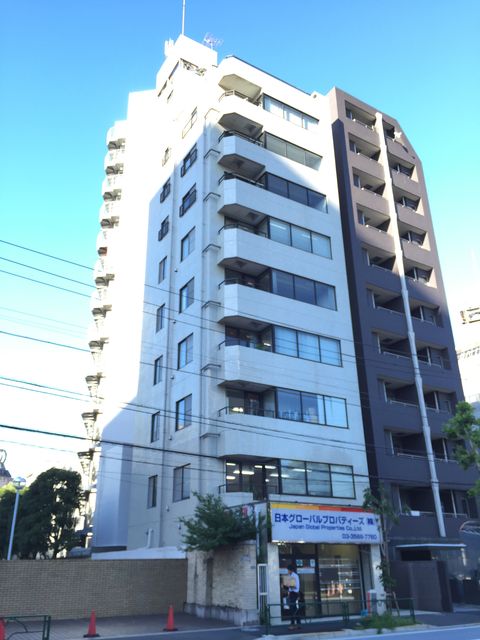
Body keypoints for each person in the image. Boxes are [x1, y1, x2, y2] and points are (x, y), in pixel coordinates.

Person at [286, 564, 302, 630]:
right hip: (292, 593)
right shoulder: (291, 576)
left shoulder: (294, 576)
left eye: (288, 570)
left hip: (294, 593)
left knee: (293, 609)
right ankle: (297, 624)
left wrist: (287, 585)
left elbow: (294, 587)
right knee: (294, 608)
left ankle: (293, 624)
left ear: (291, 570)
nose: (287, 571)